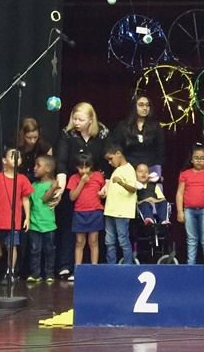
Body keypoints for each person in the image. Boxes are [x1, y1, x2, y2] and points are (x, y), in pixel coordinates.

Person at [53, 102, 110, 281]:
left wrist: (106, 184)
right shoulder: (66, 134)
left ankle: (94, 267)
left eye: (81, 119)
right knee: (69, 227)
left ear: (90, 120)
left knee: (94, 235)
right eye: (74, 119)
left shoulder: (102, 133)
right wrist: (61, 188)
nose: (76, 122)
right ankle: (66, 266)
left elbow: (109, 158)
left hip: (95, 183)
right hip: (72, 180)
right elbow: (61, 162)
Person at [0, 148, 33, 285]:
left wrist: (27, 217)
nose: (17, 159)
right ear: (4, 160)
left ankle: (10, 272)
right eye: (13, 156)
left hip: (14, 220)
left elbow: (26, 199)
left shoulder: (22, 179)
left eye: (19, 157)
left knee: (12, 247)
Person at [176, 144, 204, 265]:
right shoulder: (185, 174)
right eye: (196, 158)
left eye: (202, 158)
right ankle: (191, 265)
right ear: (191, 159)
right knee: (191, 239)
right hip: (189, 211)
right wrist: (180, 211)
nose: (199, 161)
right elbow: (180, 193)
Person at [66, 152, 105, 279]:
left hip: (95, 212)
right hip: (79, 213)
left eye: (86, 167)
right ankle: (77, 270)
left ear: (91, 166)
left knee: (93, 241)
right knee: (79, 242)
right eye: (80, 167)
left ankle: (94, 269)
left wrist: (102, 194)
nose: (83, 170)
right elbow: (72, 197)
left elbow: (104, 191)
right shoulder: (74, 178)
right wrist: (82, 182)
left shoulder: (99, 176)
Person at [111, 93, 166, 182]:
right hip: (128, 170)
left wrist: (156, 170)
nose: (145, 108)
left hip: (150, 171)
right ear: (134, 107)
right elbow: (116, 149)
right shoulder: (123, 126)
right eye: (141, 105)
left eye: (147, 105)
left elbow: (160, 151)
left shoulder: (155, 126)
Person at [103, 143, 138, 265]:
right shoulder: (117, 170)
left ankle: (128, 265)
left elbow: (133, 189)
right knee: (109, 241)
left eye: (111, 159)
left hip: (122, 212)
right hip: (110, 210)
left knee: (123, 240)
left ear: (118, 154)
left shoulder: (129, 169)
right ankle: (111, 266)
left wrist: (121, 183)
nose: (109, 162)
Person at [26, 155, 59, 283]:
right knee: (35, 250)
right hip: (35, 224)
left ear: (48, 169)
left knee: (49, 250)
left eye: (38, 165)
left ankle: (49, 273)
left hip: (48, 224)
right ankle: (35, 274)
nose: (35, 168)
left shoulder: (53, 184)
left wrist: (53, 188)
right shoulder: (33, 185)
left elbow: (45, 199)